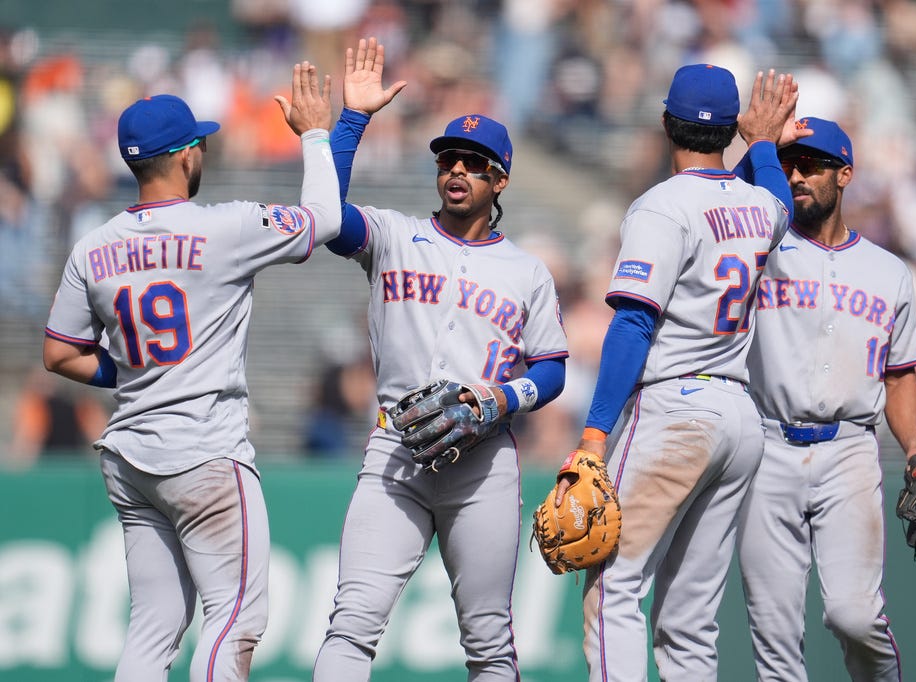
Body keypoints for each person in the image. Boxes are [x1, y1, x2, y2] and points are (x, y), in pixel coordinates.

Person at [41, 62, 341, 681]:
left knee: (153, 626)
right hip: (204, 451)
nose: (202, 151)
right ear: (183, 155)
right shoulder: (225, 226)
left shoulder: (93, 247)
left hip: (131, 455)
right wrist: (315, 134)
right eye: (197, 144)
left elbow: (60, 353)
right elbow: (326, 219)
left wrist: (134, 373)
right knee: (235, 618)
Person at [312, 38, 569, 680]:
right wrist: (353, 119)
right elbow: (324, 217)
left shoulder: (527, 271)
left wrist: (501, 398)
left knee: (489, 644)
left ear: (500, 180)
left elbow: (551, 369)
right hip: (395, 450)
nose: (457, 169)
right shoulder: (394, 235)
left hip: (483, 463)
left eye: (475, 163)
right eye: (449, 158)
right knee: (351, 623)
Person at [551, 64, 801, 680]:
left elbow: (634, 323)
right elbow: (778, 200)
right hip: (739, 418)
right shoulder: (760, 206)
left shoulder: (660, 207)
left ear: (666, 123)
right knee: (690, 619)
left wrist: (594, 435)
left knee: (613, 587)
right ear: (732, 130)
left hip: (675, 410)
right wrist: (763, 145)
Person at [737, 117, 916, 681]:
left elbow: (899, 375)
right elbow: (724, 200)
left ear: (844, 174)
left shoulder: (888, 271)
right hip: (767, 444)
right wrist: (758, 143)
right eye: (788, 165)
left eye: (811, 166)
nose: (796, 176)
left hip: (849, 450)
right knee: (774, 633)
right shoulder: (759, 249)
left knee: (855, 616)